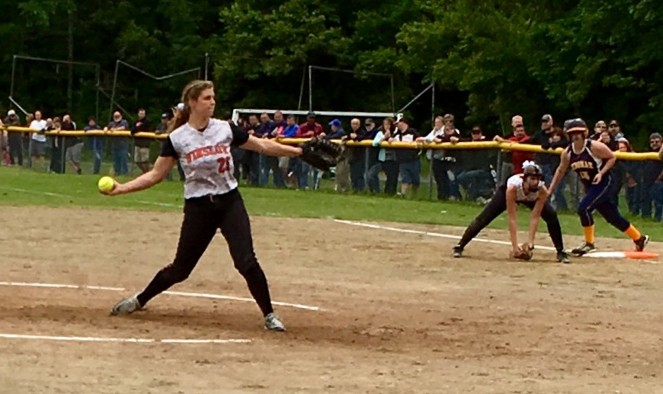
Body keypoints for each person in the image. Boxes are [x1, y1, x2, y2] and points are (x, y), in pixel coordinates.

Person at [104, 80, 305, 331]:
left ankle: (269, 315)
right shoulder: (178, 138)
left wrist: (296, 152)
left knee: (246, 261)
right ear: (193, 102)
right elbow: (156, 175)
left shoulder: (225, 129)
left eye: (213, 97)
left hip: (229, 201)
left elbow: (262, 145)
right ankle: (139, 299)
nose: (213, 102)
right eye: (207, 98)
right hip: (199, 208)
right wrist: (122, 188)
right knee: (180, 269)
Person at [548, 118, 649, 256]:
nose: (576, 136)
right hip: (591, 186)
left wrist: (601, 173)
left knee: (584, 208)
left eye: (579, 132)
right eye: (573, 133)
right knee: (612, 216)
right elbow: (560, 170)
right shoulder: (568, 153)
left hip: (604, 182)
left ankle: (589, 243)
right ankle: (639, 238)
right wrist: (551, 189)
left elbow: (612, 157)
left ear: (585, 133)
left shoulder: (594, 147)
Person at [452, 162, 570, 263]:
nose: (536, 182)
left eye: (538, 179)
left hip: (530, 197)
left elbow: (535, 217)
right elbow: (512, 218)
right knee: (484, 218)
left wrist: (530, 242)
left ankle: (560, 251)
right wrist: (515, 247)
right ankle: (460, 245)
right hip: (508, 194)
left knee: (551, 215)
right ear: (525, 179)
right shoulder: (513, 187)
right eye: (532, 178)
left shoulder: (541, 190)